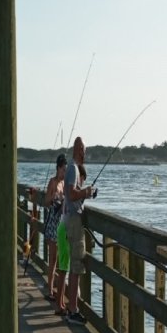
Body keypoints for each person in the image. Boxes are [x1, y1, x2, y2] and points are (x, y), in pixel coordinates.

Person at [54, 137, 96, 323]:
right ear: (76, 149)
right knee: (76, 265)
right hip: (73, 220)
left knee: (74, 265)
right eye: (82, 150)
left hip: (70, 219)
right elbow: (71, 194)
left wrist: (85, 194)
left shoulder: (74, 169)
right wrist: (85, 192)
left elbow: (71, 195)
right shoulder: (72, 168)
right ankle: (73, 309)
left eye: (84, 151)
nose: (84, 153)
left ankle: (71, 307)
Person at [43, 153, 67, 300]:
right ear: (58, 168)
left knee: (59, 259)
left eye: (66, 170)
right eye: (63, 169)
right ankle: (50, 290)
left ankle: (58, 290)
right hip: (52, 223)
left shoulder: (64, 184)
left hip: (61, 222)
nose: (64, 172)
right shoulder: (52, 182)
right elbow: (45, 201)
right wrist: (54, 197)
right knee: (52, 259)